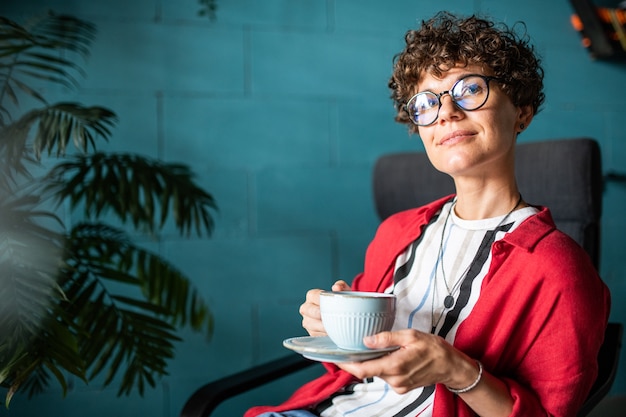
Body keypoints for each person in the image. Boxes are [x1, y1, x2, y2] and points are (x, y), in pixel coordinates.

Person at [246, 11, 610, 417]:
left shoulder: (558, 269)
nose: (447, 112)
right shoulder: (396, 232)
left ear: (521, 111)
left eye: (470, 90)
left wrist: (459, 372)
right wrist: (332, 329)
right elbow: (354, 364)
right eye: (426, 102)